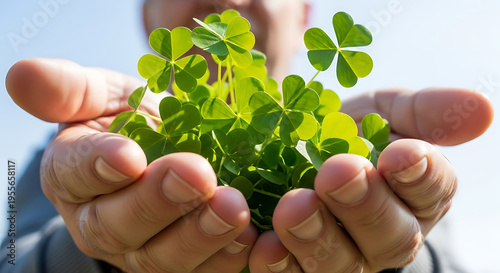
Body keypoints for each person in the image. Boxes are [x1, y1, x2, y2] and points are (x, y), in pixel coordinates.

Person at [1, 0, 494, 272]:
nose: (228, 1)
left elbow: (449, 262)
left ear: (304, 15)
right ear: (147, 14)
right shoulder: (83, 147)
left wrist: (397, 260)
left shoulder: (371, 148)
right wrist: (96, 257)